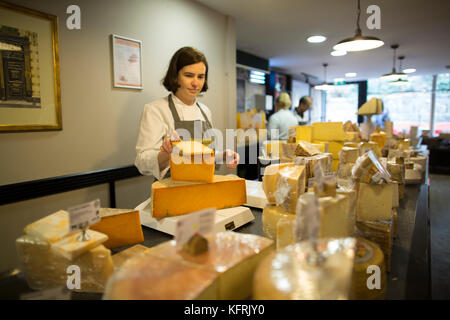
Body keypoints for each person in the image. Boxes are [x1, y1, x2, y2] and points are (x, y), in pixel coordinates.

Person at [135, 46, 239, 181]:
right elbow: (141, 163)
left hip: (203, 188)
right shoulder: (155, 110)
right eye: (189, 75)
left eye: (200, 77)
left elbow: (202, 155)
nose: (196, 83)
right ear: (175, 76)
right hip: (172, 191)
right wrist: (166, 153)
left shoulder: (205, 111)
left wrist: (223, 155)